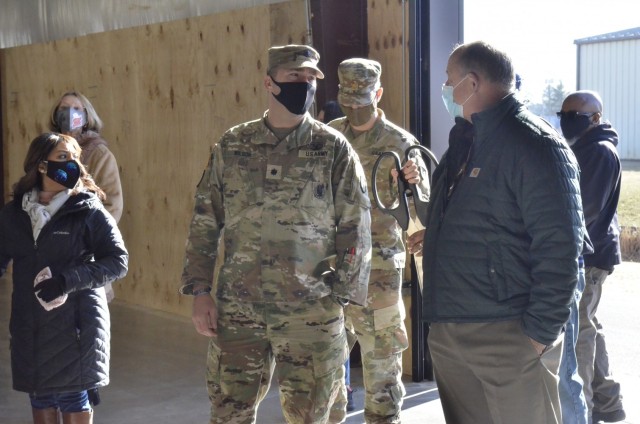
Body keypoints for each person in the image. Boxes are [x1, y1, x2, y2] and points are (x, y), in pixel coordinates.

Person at [180, 44, 372, 424]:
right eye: (294, 78)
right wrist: (200, 291)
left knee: (312, 416)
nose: (305, 86)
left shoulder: (333, 149)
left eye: (310, 79)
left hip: (310, 312)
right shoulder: (233, 145)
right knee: (228, 413)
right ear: (269, 82)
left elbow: (356, 227)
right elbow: (205, 220)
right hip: (239, 309)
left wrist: (341, 297)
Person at [406, 41, 586, 424]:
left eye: (448, 81)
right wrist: (438, 237)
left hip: (507, 334)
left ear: (471, 84)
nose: (444, 89)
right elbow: (485, 220)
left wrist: (535, 337)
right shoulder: (465, 141)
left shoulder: (536, 145)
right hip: (452, 329)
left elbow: (561, 250)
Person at [0, 133, 128, 424]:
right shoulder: (13, 215)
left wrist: (67, 280)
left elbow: (117, 262)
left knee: (73, 395)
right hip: (30, 326)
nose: (72, 164)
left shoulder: (88, 210)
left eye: (74, 158)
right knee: (40, 395)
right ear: (40, 165)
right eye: (62, 157)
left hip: (77, 326)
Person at [328, 58, 428, 423]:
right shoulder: (329, 137)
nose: (354, 110)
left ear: (379, 94)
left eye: (362, 102)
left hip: (380, 276)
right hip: (334, 273)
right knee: (325, 370)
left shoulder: (401, 145)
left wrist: (414, 185)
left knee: (383, 371)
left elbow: (421, 218)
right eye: (347, 103)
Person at [559, 90, 625, 424]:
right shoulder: (585, 147)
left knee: (581, 331)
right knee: (589, 325)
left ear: (595, 117)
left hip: (591, 254)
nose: (567, 119)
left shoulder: (598, 151)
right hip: (593, 250)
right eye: (564, 112)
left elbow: (586, 210)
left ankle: (581, 409)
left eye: (575, 114)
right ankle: (608, 403)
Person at [49, 91, 123, 301]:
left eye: (76, 108)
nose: (69, 113)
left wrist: (86, 238)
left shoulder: (99, 155)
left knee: (88, 319)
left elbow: (112, 205)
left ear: (87, 116)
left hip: (86, 252)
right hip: (51, 250)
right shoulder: (46, 151)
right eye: (63, 108)